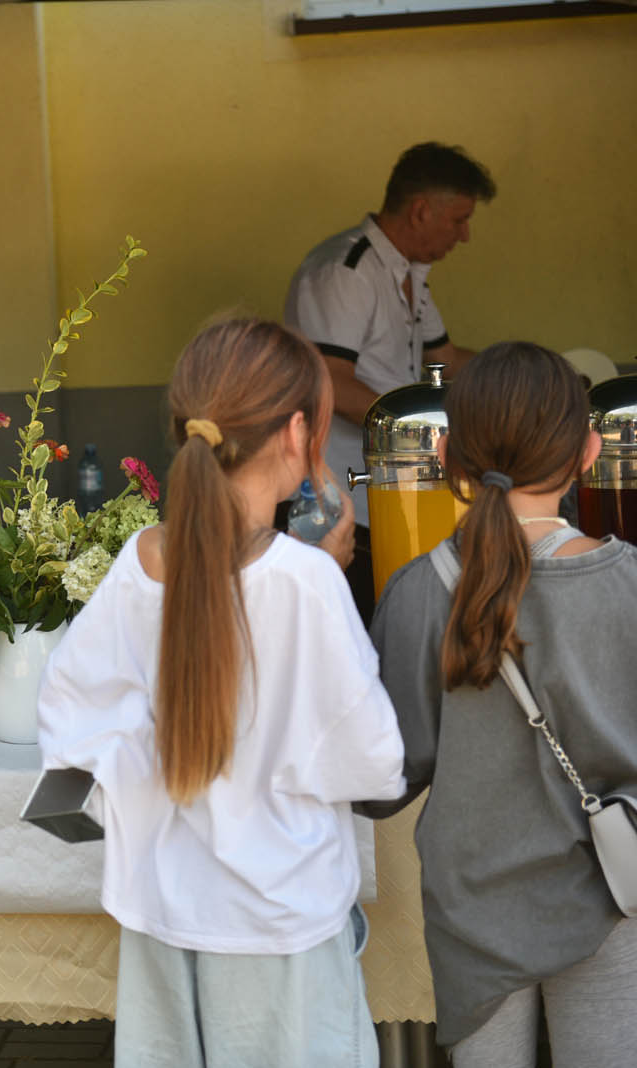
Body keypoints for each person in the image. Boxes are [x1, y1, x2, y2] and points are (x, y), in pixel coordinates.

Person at [37, 318, 407, 1067]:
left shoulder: (140, 562)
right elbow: (371, 762)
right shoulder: (306, 583)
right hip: (282, 926)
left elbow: (70, 735)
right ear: (300, 432)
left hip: (161, 914)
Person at [365, 342, 637, 1067]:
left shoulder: (421, 590)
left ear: (448, 454)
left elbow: (395, 770)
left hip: (472, 910)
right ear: (587, 451)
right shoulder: (630, 584)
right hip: (612, 897)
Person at [285, 141, 496, 618]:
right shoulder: (345, 271)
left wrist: (524, 372)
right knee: (364, 633)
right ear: (421, 211)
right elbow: (330, 383)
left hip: (397, 485)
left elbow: (444, 356)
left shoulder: (407, 273)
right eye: (459, 219)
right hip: (344, 497)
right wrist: (418, 434)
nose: (464, 235)